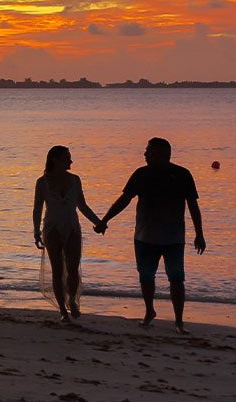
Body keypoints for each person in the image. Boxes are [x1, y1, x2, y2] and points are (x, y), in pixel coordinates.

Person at [97, 137, 206, 332]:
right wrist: (105, 220)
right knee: (146, 276)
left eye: (148, 151)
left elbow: (193, 205)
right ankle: (149, 312)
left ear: (161, 154)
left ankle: (179, 321)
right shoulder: (141, 174)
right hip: (144, 236)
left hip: (173, 238)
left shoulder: (181, 174)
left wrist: (199, 234)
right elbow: (124, 199)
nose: (144, 154)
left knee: (176, 277)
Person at [31, 145, 102, 321]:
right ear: (55, 160)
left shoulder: (75, 180)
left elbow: (82, 206)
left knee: (72, 268)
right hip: (51, 227)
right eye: (67, 158)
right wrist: (36, 231)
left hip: (71, 226)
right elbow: (37, 208)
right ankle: (63, 310)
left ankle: (72, 300)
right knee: (57, 269)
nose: (70, 161)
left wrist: (98, 222)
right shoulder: (42, 182)